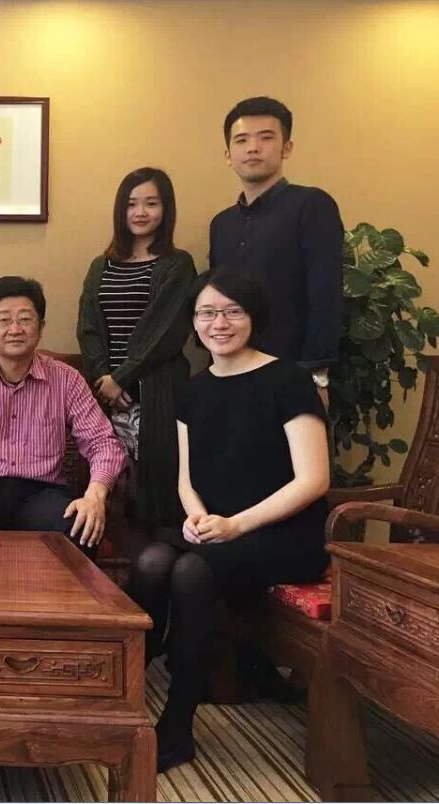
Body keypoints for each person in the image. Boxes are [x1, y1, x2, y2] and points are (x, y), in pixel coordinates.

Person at [127, 268, 330, 772]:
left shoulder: (288, 380)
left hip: (283, 535)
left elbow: (313, 480)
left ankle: (178, 723)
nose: (219, 323)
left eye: (232, 311)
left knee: (191, 571)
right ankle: (124, 688)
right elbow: (185, 480)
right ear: (194, 323)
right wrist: (196, 518)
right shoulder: (192, 390)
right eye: (207, 313)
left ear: (253, 316)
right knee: (151, 561)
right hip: (218, 531)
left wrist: (236, 525)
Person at [0, 276, 127, 553]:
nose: (15, 329)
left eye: (25, 319)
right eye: (4, 320)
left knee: (81, 527)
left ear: (41, 327)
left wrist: (95, 495)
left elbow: (103, 443)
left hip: (40, 493)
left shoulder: (67, 379)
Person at [77, 167, 197, 529]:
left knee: (156, 488)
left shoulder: (178, 264)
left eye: (151, 203)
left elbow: (166, 331)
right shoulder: (101, 265)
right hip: (107, 395)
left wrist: (123, 378)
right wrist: (103, 378)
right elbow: (88, 326)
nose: (140, 212)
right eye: (131, 204)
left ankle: (156, 556)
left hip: (158, 392)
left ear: (166, 209)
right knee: (109, 481)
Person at [210, 96, 344, 402]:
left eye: (266, 138)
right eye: (241, 140)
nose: (253, 148)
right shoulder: (222, 224)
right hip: (230, 372)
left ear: (287, 148)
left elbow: (325, 295)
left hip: (292, 373)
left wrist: (317, 375)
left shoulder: (311, 205)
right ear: (228, 155)